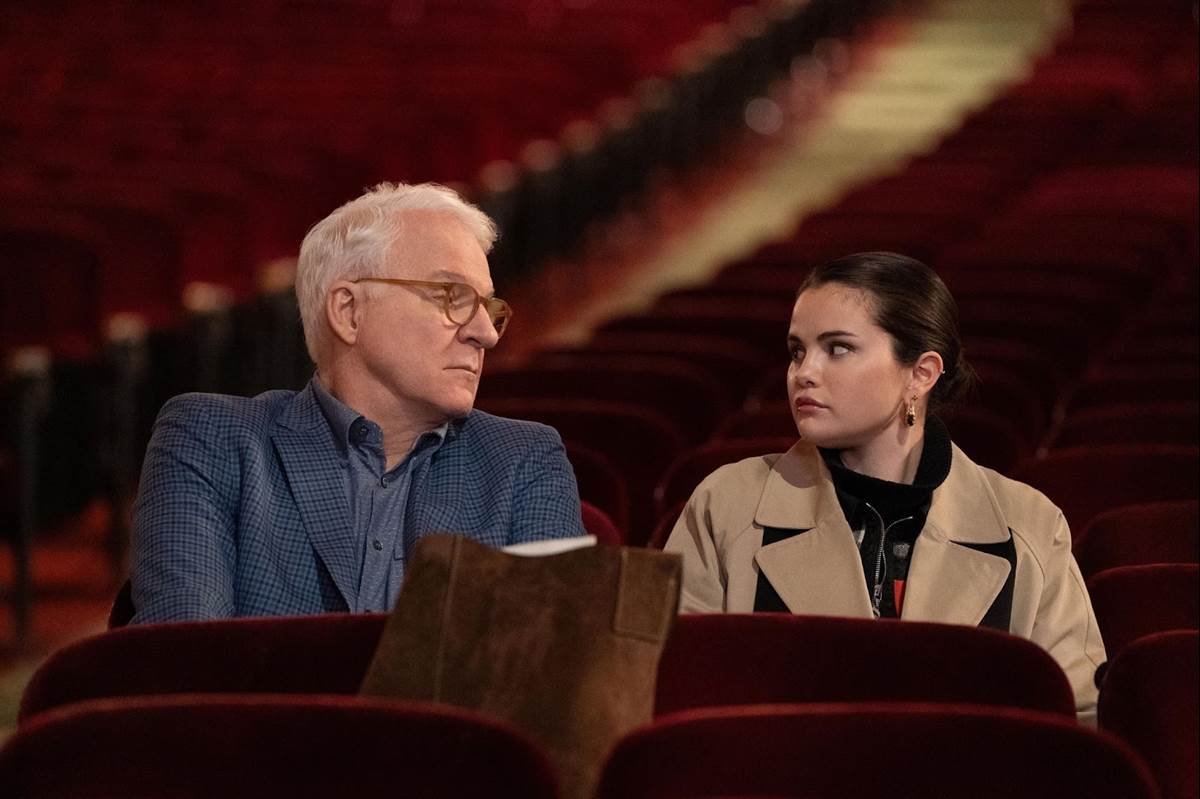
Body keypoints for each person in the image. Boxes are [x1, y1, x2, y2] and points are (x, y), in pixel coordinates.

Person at [664, 252, 1105, 721]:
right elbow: (667, 695)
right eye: (797, 351)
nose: (803, 372)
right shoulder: (726, 505)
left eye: (838, 348)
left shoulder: (1029, 525)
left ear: (921, 374)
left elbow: (1078, 719)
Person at [130, 182, 584, 623]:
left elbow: (547, 663)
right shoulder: (212, 440)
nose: (485, 333)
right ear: (349, 311)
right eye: (453, 296)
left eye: (488, 307)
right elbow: (184, 659)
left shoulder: (523, 461)